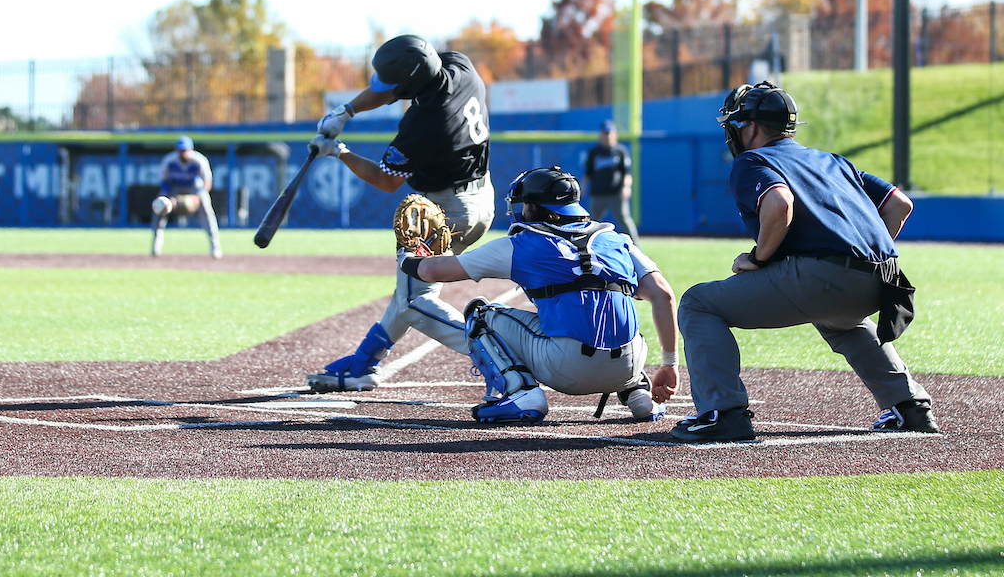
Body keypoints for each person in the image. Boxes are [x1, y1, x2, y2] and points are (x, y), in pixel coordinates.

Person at [672, 81, 937, 443]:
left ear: (750, 126)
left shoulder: (752, 160)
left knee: (697, 303)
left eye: (736, 125)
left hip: (822, 274)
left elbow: (779, 203)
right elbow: (898, 205)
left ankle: (724, 413)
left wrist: (758, 257)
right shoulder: (833, 160)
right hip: (884, 281)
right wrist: (856, 257)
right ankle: (911, 407)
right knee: (843, 323)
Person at [399, 166, 679, 424]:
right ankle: (638, 393)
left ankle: (522, 393)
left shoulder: (522, 243)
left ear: (534, 206)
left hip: (567, 369)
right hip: (629, 363)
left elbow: (435, 271)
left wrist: (405, 256)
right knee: (609, 314)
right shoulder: (617, 240)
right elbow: (663, 295)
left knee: (482, 315)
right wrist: (669, 364)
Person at [305, 34, 494, 392]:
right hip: (480, 198)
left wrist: (338, 152)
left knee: (414, 300)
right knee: (410, 290)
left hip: (446, 211)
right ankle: (366, 361)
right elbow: (394, 88)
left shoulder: (425, 122)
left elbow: (385, 180)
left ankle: (497, 351)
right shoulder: (460, 66)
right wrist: (346, 111)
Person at [151, 135, 222, 259]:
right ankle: (156, 242)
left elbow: (207, 183)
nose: (183, 153)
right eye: (180, 150)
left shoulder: (199, 160)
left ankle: (215, 245)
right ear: (176, 150)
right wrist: (169, 196)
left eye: (185, 150)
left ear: (191, 150)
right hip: (174, 188)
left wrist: (196, 197)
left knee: (206, 205)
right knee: (160, 203)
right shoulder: (170, 160)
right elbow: (164, 181)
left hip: (194, 188)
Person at [583, 120, 640, 245]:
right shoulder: (594, 152)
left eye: (609, 132)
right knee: (591, 223)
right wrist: (584, 186)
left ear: (614, 134)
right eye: (604, 133)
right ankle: (583, 248)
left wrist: (626, 187)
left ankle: (637, 249)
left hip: (616, 194)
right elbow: (588, 172)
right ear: (601, 134)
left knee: (625, 220)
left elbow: (627, 173)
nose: (607, 135)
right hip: (598, 194)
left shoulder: (620, 151)